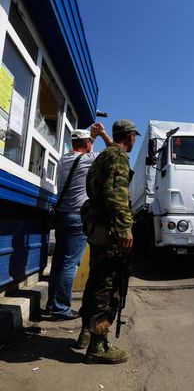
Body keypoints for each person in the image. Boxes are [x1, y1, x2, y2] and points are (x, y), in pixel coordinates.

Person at [77, 119, 140, 364]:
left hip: (97, 229)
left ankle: (85, 331)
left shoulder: (103, 156)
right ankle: (98, 345)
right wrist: (125, 229)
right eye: (134, 135)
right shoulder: (119, 158)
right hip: (110, 230)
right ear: (130, 136)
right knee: (108, 285)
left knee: (95, 281)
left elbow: (95, 190)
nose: (135, 139)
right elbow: (116, 196)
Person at [46, 123, 112, 320]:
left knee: (58, 263)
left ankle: (52, 304)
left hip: (62, 216)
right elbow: (114, 151)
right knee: (70, 264)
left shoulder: (64, 159)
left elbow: (84, 144)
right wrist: (102, 134)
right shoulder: (88, 159)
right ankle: (60, 309)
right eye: (89, 142)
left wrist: (90, 135)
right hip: (77, 218)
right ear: (86, 144)